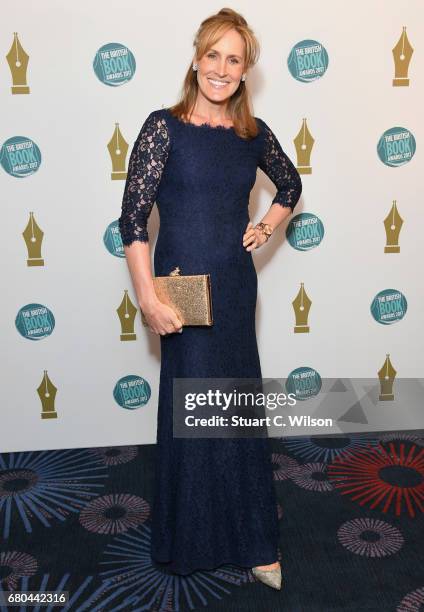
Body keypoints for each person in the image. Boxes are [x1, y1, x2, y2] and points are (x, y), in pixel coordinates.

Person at [118, 7, 302, 589]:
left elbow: (291, 185)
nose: (221, 69)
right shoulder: (162, 127)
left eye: (234, 59)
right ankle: (192, 539)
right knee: (193, 414)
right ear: (196, 59)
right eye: (212, 55)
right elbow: (131, 221)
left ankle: (252, 540)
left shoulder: (252, 137)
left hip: (235, 288)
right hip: (182, 296)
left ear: (245, 71)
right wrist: (147, 297)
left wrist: (267, 225)